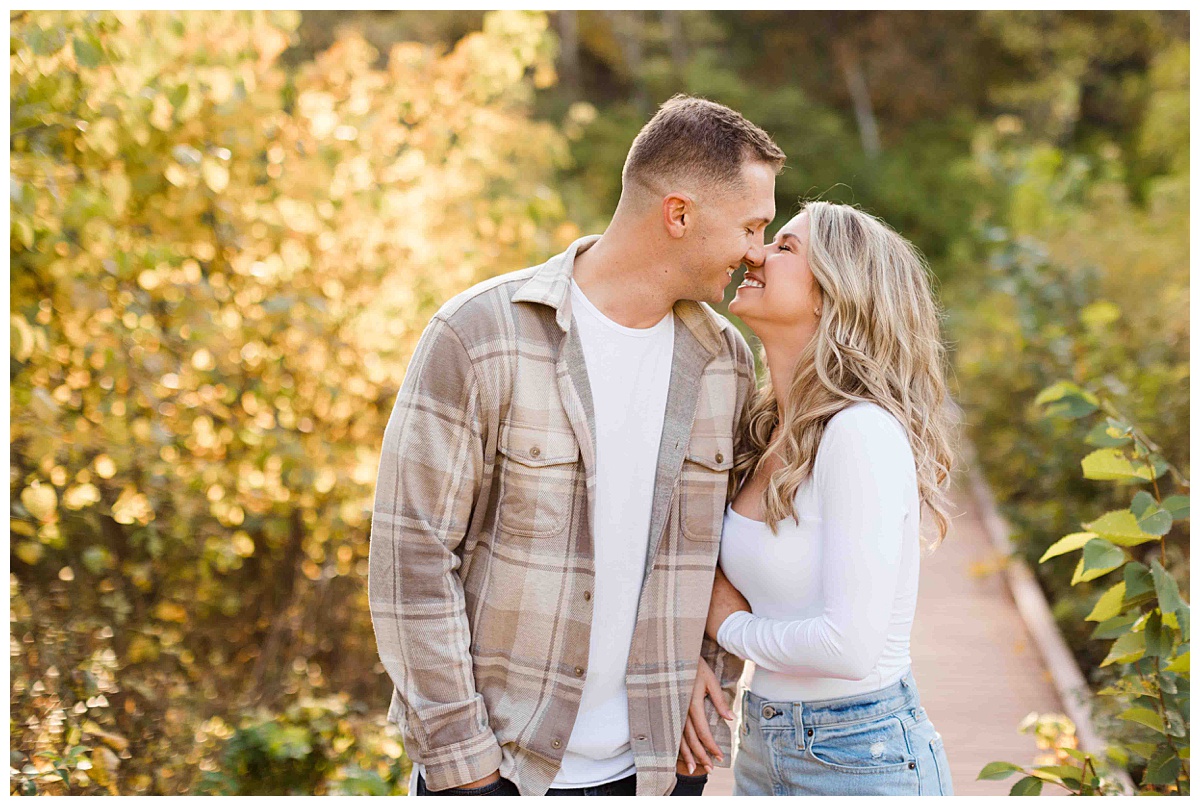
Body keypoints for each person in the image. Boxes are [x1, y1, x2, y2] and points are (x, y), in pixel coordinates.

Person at [368, 95, 785, 796]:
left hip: (656, 772)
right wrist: (464, 765)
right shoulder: (479, 337)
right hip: (501, 768)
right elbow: (410, 560)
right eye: (750, 226)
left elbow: (724, 551)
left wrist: (705, 669)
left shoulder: (726, 367)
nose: (757, 253)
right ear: (678, 215)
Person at [676, 201, 956, 796]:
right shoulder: (761, 427)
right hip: (767, 741)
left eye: (784, 247)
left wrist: (727, 626)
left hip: (860, 754)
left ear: (831, 295)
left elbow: (848, 646)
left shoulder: (860, 433)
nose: (756, 253)